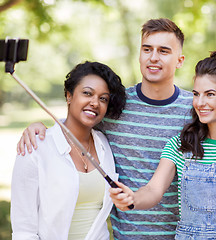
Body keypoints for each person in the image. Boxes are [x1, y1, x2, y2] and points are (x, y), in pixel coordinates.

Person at [16, 18, 192, 239]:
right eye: (147, 49)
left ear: (180, 60)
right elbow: (79, 121)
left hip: (182, 235)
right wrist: (39, 126)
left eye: (164, 51)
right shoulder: (116, 105)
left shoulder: (195, 109)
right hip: (126, 236)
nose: (153, 57)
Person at [110, 51, 216, 239]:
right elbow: (153, 190)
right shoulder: (180, 146)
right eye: (196, 94)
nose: (200, 102)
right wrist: (133, 198)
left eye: (210, 94)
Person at [11, 61, 126, 239]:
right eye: (87, 93)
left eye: (103, 98)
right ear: (69, 96)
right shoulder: (35, 146)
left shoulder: (105, 144)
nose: (95, 103)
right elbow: (23, 229)